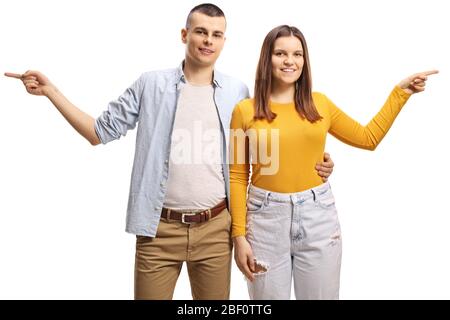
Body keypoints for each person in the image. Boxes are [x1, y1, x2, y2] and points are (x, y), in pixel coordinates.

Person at [4, 4, 334, 300]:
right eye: (201, 32)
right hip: (158, 230)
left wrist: (316, 163)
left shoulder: (238, 92)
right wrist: (51, 92)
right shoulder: (151, 85)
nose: (208, 40)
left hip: (216, 229)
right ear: (185, 34)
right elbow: (98, 132)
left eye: (217, 34)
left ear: (223, 41)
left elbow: (259, 154)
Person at [229, 24, 437, 300]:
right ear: (267, 58)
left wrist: (400, 93)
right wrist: (239, 236)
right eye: (280, 53)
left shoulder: (320, 104)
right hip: (265, 220)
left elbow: (368, 138)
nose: (290, 61)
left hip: (317, 216)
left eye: (297, 54)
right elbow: (237, 175)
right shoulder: (244, 111)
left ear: (305, 60)